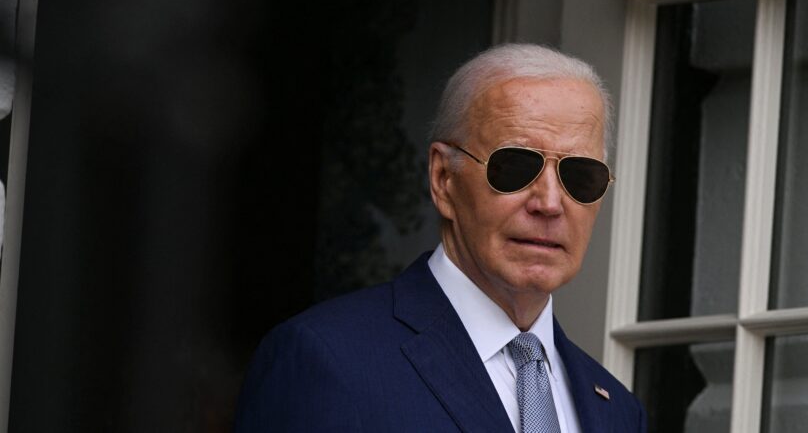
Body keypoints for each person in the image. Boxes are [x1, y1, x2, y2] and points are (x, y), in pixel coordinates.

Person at [235, 43, 647, 432]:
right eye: (515, 167)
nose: (550, 203)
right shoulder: (327, 359)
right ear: (443, 179)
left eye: (580, 176)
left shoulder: (618, 412)